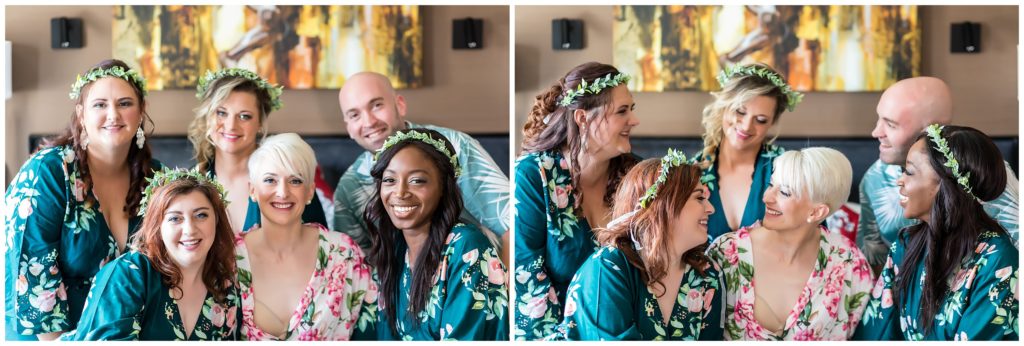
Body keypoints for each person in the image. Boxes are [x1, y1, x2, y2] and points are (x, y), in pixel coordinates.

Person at [4, 59, 161, 340]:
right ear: (81, 114)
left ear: (141, 112)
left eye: (125, 103)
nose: (113, 114)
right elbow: (30, 273)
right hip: (47, 337)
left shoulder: (155, 177)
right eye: (100, 104)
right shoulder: (49, 171)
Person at [855, 125, 1019, 341]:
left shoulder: (999, 261)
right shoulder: (905, 244)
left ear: (946, 185)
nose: (900, 180)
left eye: (910, 172)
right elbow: (876, 329)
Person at [513, 61, 640, 340]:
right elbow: (528, 284)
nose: (634, 120)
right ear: (583, 118)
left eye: (631, 109)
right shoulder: (533, 176)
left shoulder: (636, 177)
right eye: (622, 111)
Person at [334, 72, 510, 263]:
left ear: (399, 105)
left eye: (377, 105)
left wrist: (506, 288)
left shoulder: (455, 147)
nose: (368, 122)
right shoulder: (349, 187)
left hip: (480, 275)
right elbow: (356, 265)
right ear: (348, 127)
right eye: (355, 115)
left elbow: (513, 225)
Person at [707, 147, 873, 340]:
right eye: (771, 185)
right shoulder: (726, 254)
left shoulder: (848, 262)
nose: (767, 198)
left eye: (784, 192)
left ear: (816, 212)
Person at [556, 150, 723, 340]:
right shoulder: (608, 268)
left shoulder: (706, 274)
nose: (711, 209)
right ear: (665, 203)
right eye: (699, 198)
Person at [858, 77, 1018, 273]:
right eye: (879, 118)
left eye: (891, 125)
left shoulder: (981, 172)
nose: (875, 132)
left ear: (930, 130)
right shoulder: (874, 179)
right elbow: (874, 262)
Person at [364, 129, 508, 340]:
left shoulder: (467, 247)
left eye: (417, 181)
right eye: (390, 180)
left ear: (443, 186)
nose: (400, 192)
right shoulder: (393, 247)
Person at [62, 168, 239, 340]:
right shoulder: (128, 275)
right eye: (175, 218)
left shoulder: (223, 283)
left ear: (216, 220)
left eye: (201, 215)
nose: (190, 230)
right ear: (158, 227)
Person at [233, 133, 375, 340]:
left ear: (310, 192)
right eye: (270, 180)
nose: (282, 192)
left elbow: (370, 334)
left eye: (295, 181)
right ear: (252, 190)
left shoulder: (344, 253)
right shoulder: (229, 258)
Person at [188, 67, 327, 233]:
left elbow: (321, 244)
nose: (231, 125)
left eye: (244, 116)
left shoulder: (287, 177)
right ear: (208, 117)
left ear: (260, 123)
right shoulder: (193, 182)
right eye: (221, 113)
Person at [694, 63, 803, 242]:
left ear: (772, 123)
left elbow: (811, 238)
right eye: (740, 112)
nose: (746, 126)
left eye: (760, 120)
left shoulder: (788, 170)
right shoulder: (693, 171)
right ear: (724, 106)